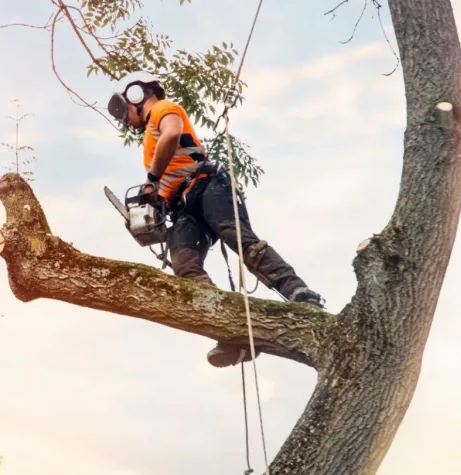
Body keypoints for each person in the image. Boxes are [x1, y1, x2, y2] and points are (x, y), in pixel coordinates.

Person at [107, 72, 325, 367]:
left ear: (137, 96)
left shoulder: (163, 109)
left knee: (237, 237)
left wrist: (151, 181)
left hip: (205, 187)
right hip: (182, 209)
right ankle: (232, 330)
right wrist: (153, 207)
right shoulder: (148, 140)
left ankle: (297, 290)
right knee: (185, 269)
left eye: (125, 113)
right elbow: (164, 179)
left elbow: (172, 135)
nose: (126, 121)